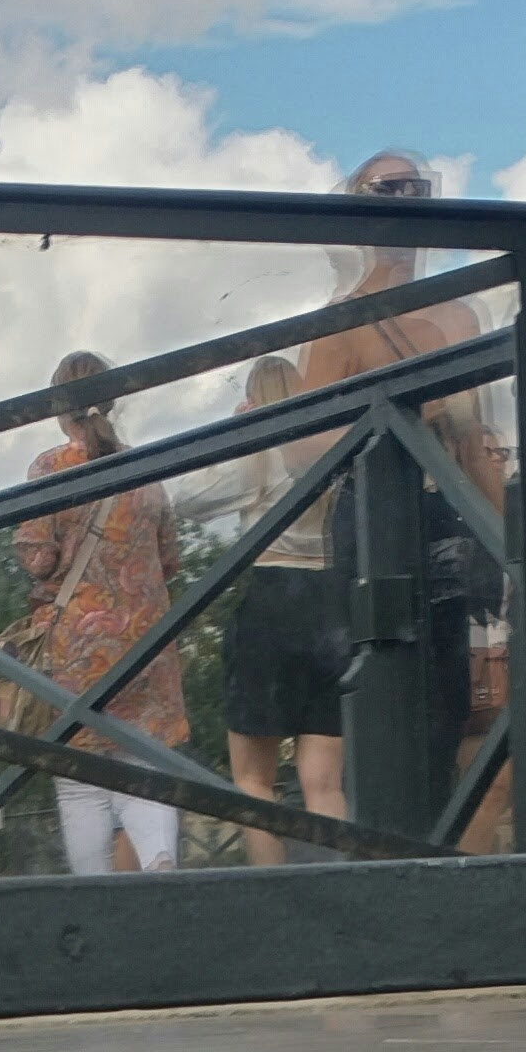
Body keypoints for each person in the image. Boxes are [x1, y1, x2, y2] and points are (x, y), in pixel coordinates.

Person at [299, 152, 513, 840]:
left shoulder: (459, 316)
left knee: (453, 711)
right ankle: (392, 863)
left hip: (449, 525)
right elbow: (308, 450)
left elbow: (478, 436)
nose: (402, 201)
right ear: (358, 207)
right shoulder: (339, 323)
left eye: (414, 188)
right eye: (385, 189)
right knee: (384, 706)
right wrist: (412, 416)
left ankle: (436, 859)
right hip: (375, 529)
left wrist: (513, 549)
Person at [1, 354, 193, 876]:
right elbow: (170, 558)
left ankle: (95, 897)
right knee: (144, 767)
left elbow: (38, 558)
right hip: (147, 648)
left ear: (58, 409)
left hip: (77, 655)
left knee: (82, 785)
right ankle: (158, 859)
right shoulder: (146, 470)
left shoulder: (50, 468)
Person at [220, 351, 346, 857]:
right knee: (325, 783)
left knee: (252, 780)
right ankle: (340, 890)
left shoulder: (258, 456)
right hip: (329, 605)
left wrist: (237, 437)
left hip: (271, 602)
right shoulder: (325, 449)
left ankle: (272, 894)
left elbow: (188, 497)